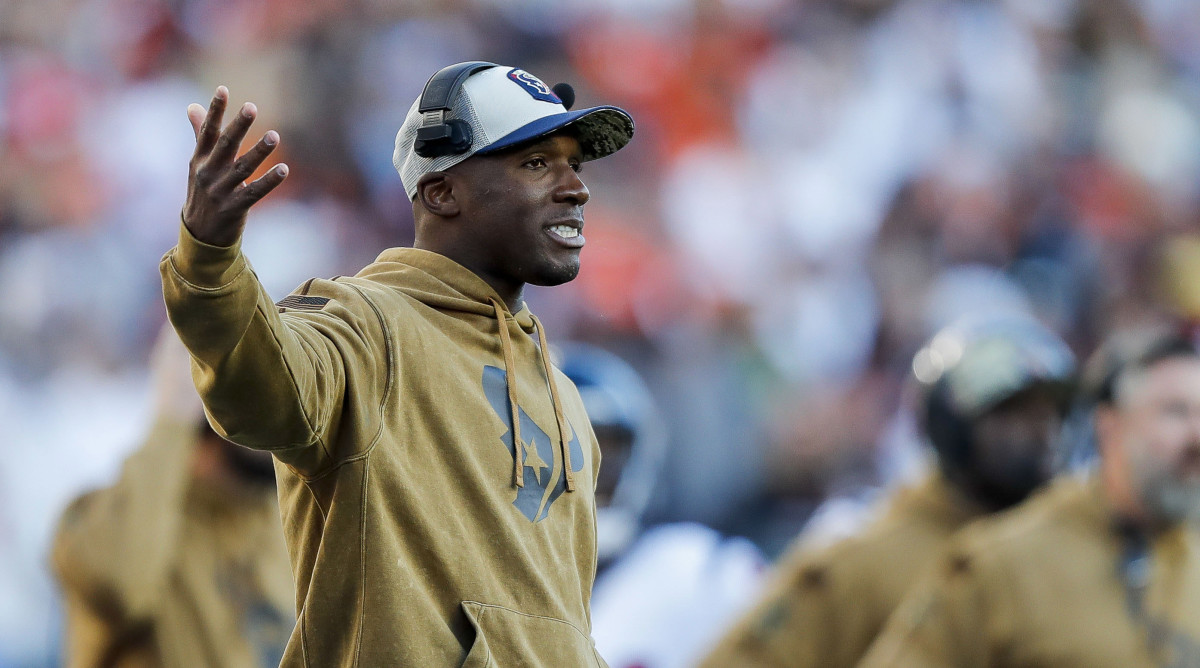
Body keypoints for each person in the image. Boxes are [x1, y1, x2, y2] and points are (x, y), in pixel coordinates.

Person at [159, 62, 634, 666]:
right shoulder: (364, 325)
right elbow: (260, 398)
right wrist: (208, 256)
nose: (576, 187)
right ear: (440, 191)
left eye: (576, 164)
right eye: (537, 163)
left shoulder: (561, 388)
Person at [698, 317, 1077, 668]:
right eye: (1012, 414)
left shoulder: (1085, 550)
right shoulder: (864, 562)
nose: (1039, 433)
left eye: (1049, 414)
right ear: (950, 425)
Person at [860, 326, 1200, 667]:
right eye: (1174, 411)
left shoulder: (1190, 560)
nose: (1196, 437)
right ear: (1109, 424)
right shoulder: (997, 565)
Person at [51, 327, 293, 667]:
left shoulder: (282, 523)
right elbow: (116, 583)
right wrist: (172, 413)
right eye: (262, 384)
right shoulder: (112, 518)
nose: (286, 411)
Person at [556, 342, 766, 668]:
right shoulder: (492, 582)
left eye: (603, 451)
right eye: (561, 454)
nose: (582, 478)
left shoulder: (699, 571)